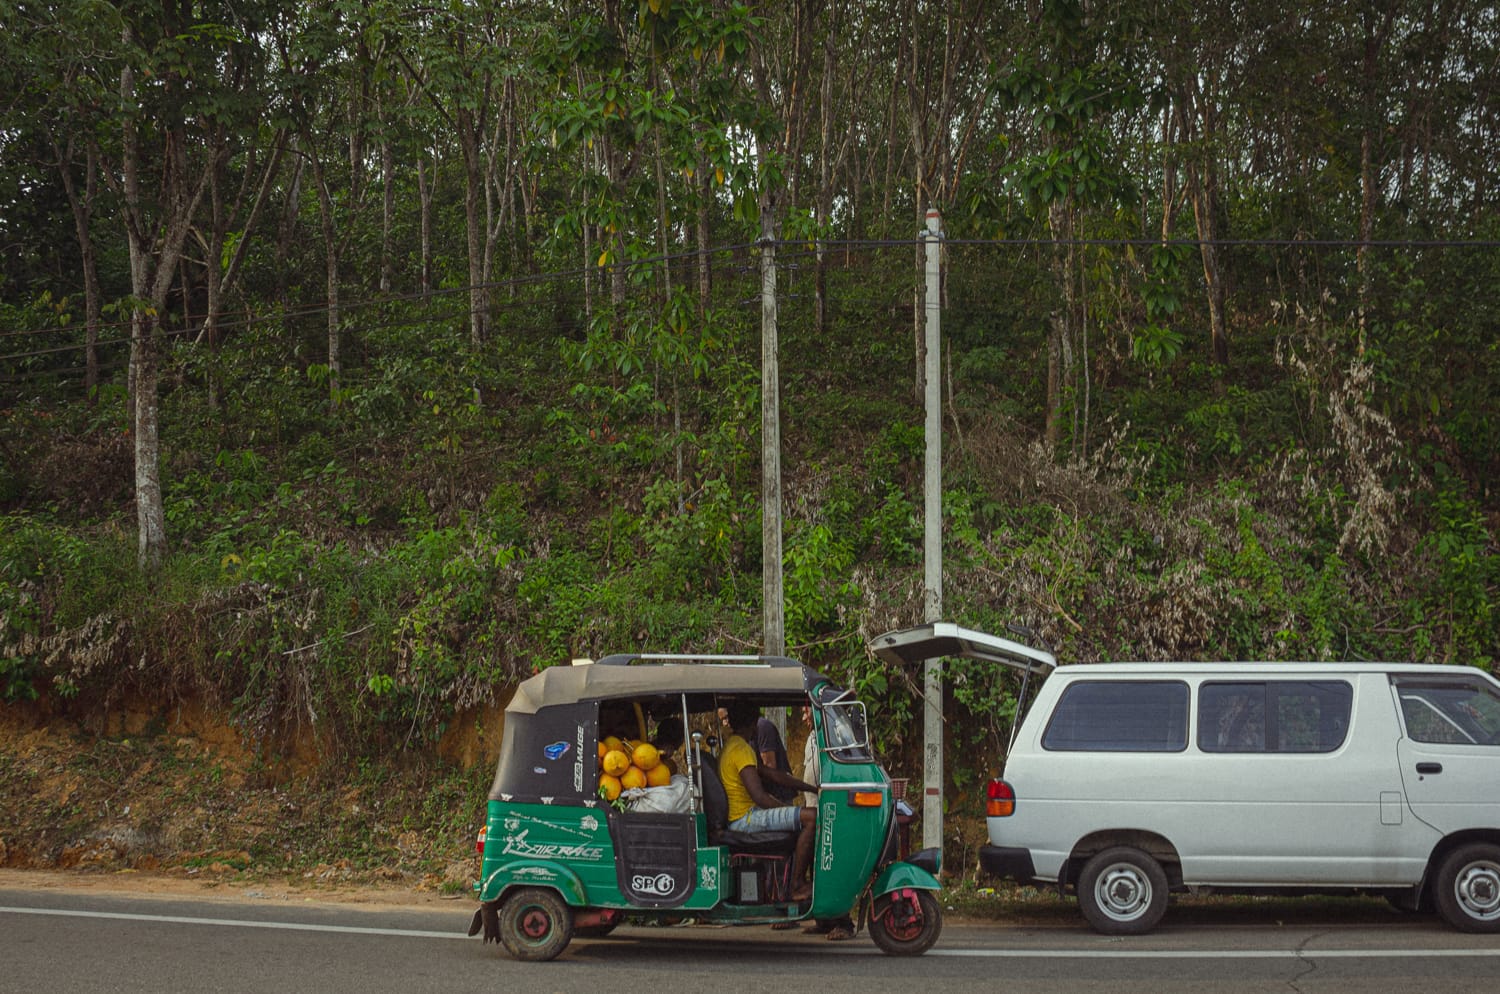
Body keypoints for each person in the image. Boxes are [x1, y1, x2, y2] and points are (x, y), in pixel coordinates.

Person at [718, 701, 817, 902]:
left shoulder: (737, 747)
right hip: (745, 820)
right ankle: (796, 885)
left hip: (746, 816)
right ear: (752, 723)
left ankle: (795, 883)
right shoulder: (740, 750)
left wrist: (811, 788)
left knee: (804, 816)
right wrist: (791, 811)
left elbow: (774, 775)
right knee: (812, 818)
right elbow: (759, 796)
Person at [799, 704, 854, 940]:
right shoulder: (813, 738)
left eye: (806, 711)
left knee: (833, 865)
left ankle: (844, 922)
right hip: (814, 809)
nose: (803, 716)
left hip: (829, 810)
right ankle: (823, 919)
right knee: (817, 866)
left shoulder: (837, 734)